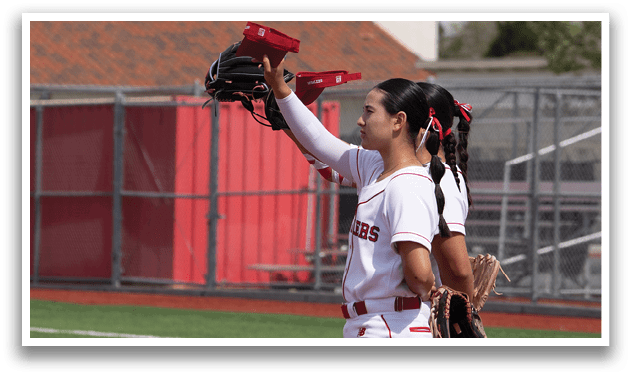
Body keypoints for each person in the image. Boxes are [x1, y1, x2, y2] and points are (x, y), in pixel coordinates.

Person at [262, 55, 450, 338]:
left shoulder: (407, 185)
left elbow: (420, 274)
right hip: (376, 321)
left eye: (370, 112)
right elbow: (321, 143)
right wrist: (281, 91)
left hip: (393, 325)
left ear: (399, 121)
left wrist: (428, 291)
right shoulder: (375, 166)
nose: (361, 120)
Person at [281, 82, 475, 301]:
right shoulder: (384, 163)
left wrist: (466, 318)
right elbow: (327, 158)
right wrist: (282, 107)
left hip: (413, 313)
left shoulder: (442, 179)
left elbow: (457, 270)